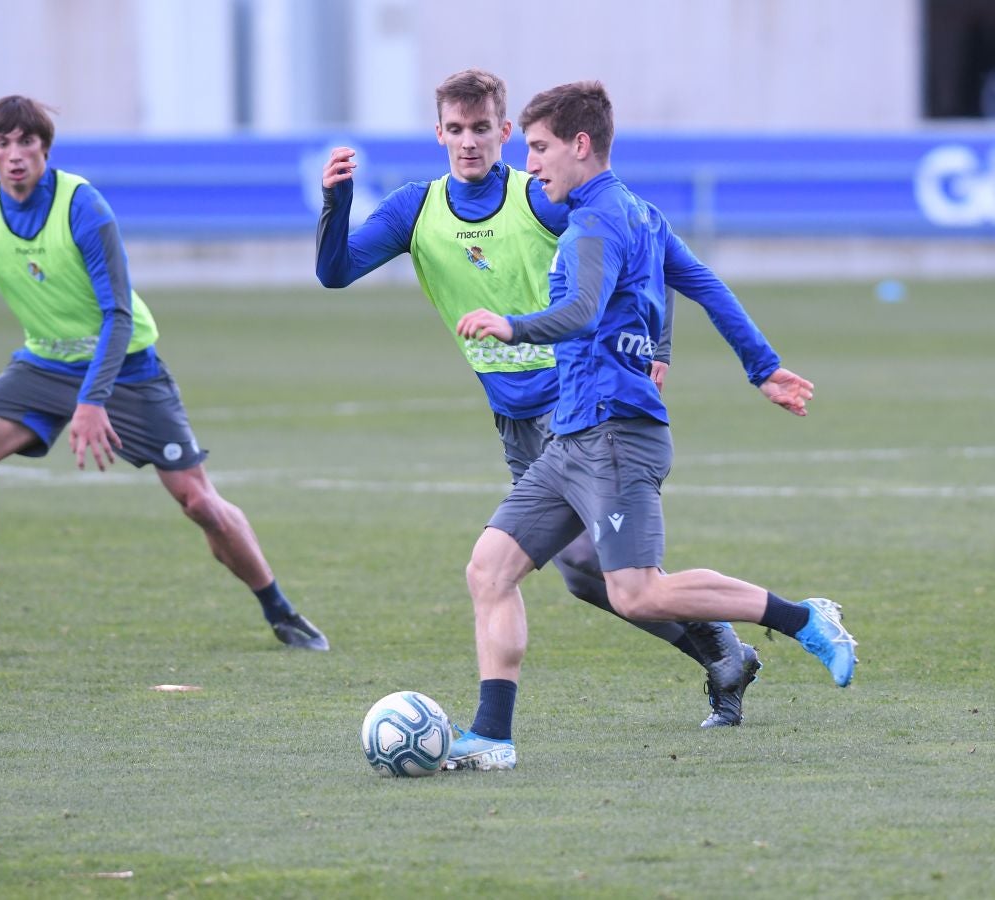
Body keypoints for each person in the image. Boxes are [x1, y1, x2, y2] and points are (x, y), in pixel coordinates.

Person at [316, 70, 763, 728]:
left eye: (482, 130)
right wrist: (338, 200)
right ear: (439, 133)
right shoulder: (418, 209)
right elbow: (335, 273)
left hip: (575, 404)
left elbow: (646, 245)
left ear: (503, 131)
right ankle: (722, 650)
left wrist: (656, 345)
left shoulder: (545, 199)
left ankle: (719, 648)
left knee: (573, 569)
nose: (469, 143)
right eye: (456, 130)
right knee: (585, 577)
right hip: (515, 417)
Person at [446, 81, 859, 772]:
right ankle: (492, 735)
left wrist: (512, 326)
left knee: (638, 593)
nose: (532, 163)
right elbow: (703, 283)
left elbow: (578, 311)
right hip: (574, 438)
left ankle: (804, 618)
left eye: (541, 148)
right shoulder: (640, 214)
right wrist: (761, 366)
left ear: (581, 145)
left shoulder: (595, 224)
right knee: (489, 569)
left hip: (613, 434)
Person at [0, 96, 327, 653]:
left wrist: (93, 401)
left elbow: (117, 312)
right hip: (44, 364)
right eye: (3, 143)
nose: (15, 154)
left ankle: (280, 608)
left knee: (197, 500)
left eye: (27, 141)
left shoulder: (82, 206)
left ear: (45, 147)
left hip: (128, 368)